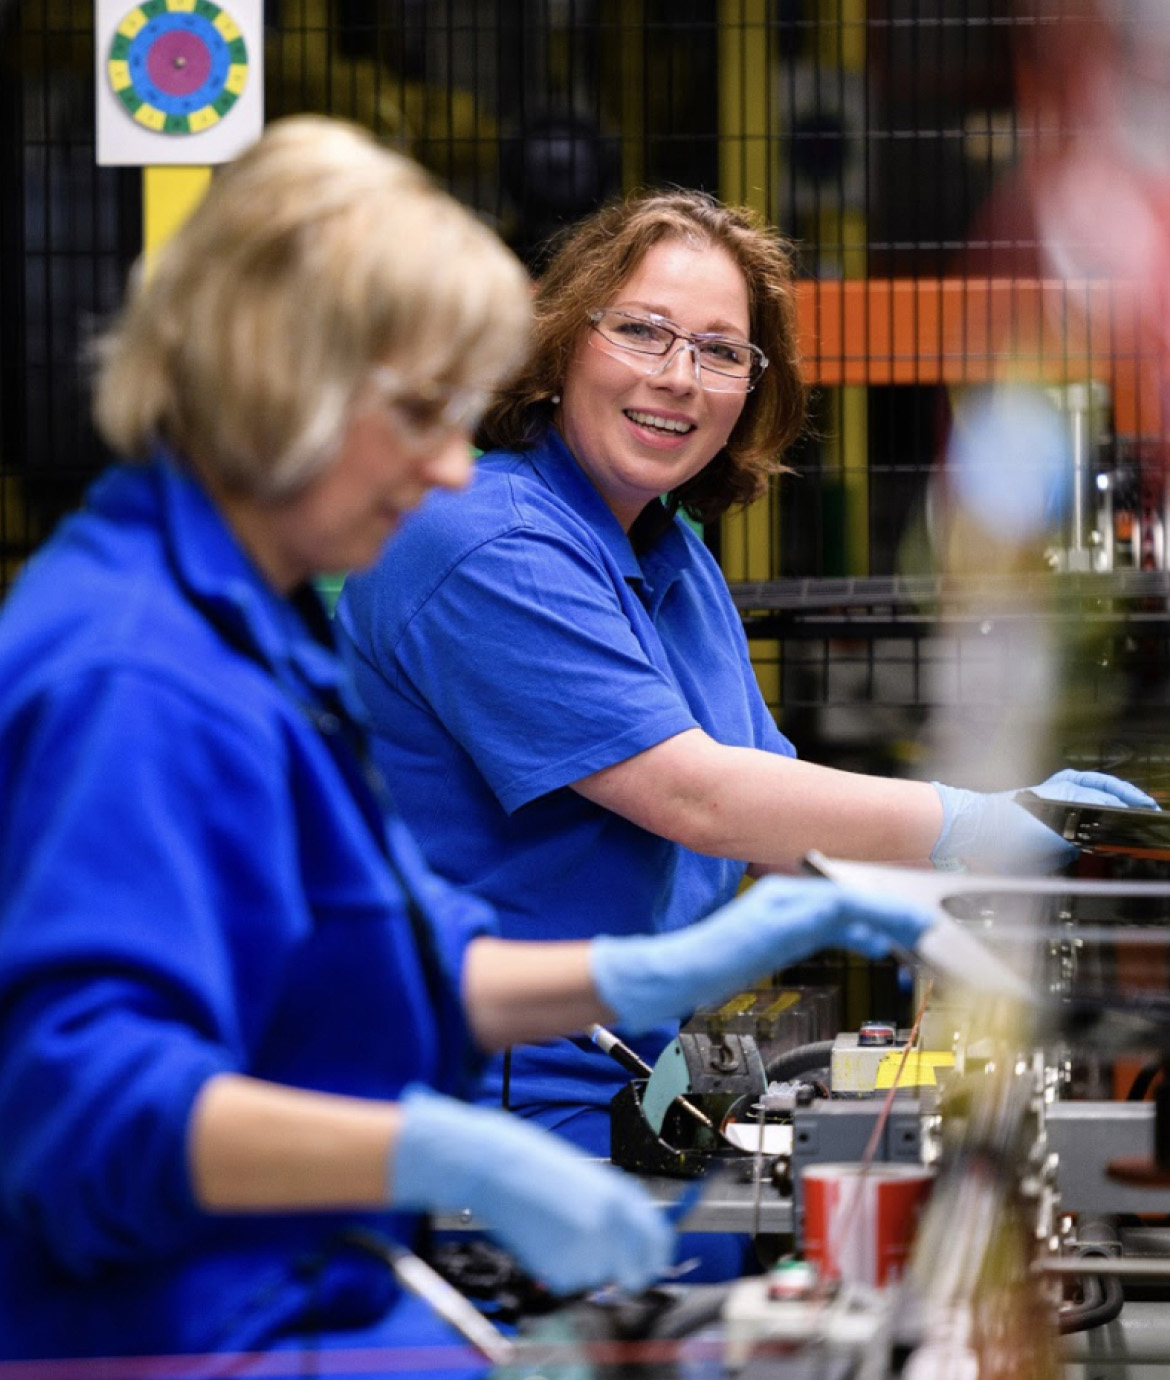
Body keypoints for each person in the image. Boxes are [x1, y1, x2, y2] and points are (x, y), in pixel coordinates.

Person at [0, 119, 939, 1367]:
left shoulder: (244, 633)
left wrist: (637, 978)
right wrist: (439, 1148)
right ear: (276, 377)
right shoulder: (133, 670)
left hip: (299, 1283)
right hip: (174, 1328)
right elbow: (83, 1109)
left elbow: (376, 947)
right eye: (420, 416)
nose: (454, 469)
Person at [337, 187, 1157, 1156]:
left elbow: (775, 833)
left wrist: (957, 914)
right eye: (643, 331)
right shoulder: (487, 541)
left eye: (722, 350)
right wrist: (973, 823)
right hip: (475, 1109)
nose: (680, 376)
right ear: (562, 346)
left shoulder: (667, 552)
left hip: (622, 1088)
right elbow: (700, 797)